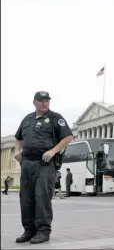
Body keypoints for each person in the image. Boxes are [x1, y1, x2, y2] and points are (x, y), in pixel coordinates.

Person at [14, 91, 73, 244]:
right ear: (34, 102)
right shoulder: (27, 119)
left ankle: (43, 231)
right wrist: (16, 151)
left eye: (47, 100)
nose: (45, 103)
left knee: (42, 197)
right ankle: (29, 230)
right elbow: (18, 137)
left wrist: (53, 150)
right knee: (25, 198)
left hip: (44, 164)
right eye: (41, 101)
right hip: (26, 163)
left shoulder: (55, 118)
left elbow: (68, 137)